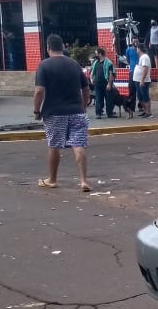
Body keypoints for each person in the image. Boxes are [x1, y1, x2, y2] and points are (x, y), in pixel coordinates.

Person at [33, 34, 92, 192]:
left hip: (54, 112)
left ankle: (52, 180)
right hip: (77, 112)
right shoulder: (74, 64)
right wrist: (83, 106)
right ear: (63, 47)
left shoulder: (44, 65)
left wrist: (36, 110)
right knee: (78, 144)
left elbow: (39, 91)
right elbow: (86, 89)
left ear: (48, 47)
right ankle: (83, 181)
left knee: (54, 145)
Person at [90, 47, 116, 118]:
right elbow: (92, 71)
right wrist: (91, 78)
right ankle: (98, 113)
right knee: (98, 98)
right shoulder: (95, 62)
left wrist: (109, 84)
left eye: (96, 53)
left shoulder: (108, 63)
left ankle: (109, 113)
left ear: (100, 54)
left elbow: (111, 74)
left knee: (109, 99)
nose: (95, 55)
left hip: (106, 83)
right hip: (97, 83)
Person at [133, 41, 153, 118]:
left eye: (137, 48)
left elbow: (145, 68)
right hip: (137, 80)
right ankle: (145, 111)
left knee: (145, 96)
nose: (136, 50)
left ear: (139, 49)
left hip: (143, 80)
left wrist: (142, 80)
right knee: (140, 96)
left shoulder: (144, 57)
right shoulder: (141, 57)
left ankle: (148, 112)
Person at [125, 36, 139, 111]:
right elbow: (127, 60)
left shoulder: (140, 50)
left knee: (140, 90)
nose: (135, 43)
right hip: (132, 71)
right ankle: (132, 107)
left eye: (136, 42)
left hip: (140, 71)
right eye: (133, 42)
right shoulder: (128, 50)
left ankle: (141, 107)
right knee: (132, 90)